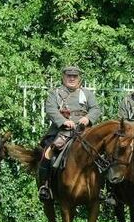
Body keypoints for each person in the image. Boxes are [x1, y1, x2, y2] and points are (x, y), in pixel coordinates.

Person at [39, 65, 101, 201]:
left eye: (75, 76)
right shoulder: (55, 93)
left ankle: (101, 189)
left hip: (85, 131)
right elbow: (51, 110)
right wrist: (63, 121)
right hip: (62, 131)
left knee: (103, 154)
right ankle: (45, 185)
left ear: (79, 78)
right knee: (48, 153)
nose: (72, 79)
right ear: (63, 77)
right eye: (69, 76)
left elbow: (96, 109)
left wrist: (88, 118)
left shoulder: (87, 94)